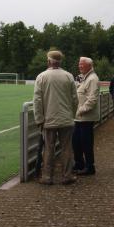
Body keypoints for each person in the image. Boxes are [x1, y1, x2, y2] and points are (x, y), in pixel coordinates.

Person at [33, 50, 78, 185]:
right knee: (67, 148)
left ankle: (47, 177)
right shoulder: (68, 76)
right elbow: (75, 100)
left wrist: (39, 119)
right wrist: (72, 115)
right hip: (66, 119)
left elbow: (37, 100)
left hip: (48, 120)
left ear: (48, 61)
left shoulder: (41, 76)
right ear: (60, 61)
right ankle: (67, 175)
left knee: (48, 148)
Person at [73, 57, 100, 176]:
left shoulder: (92, 79)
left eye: (82, 64)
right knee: (76, 142)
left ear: (89, 65)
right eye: (79, 64)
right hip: (79, 118)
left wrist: (80, 110)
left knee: (86, 143)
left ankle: (90, 167)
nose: (79, 66)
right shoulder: (85, 78)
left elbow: (92, 99)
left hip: (85, 117)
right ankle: (79, 164)